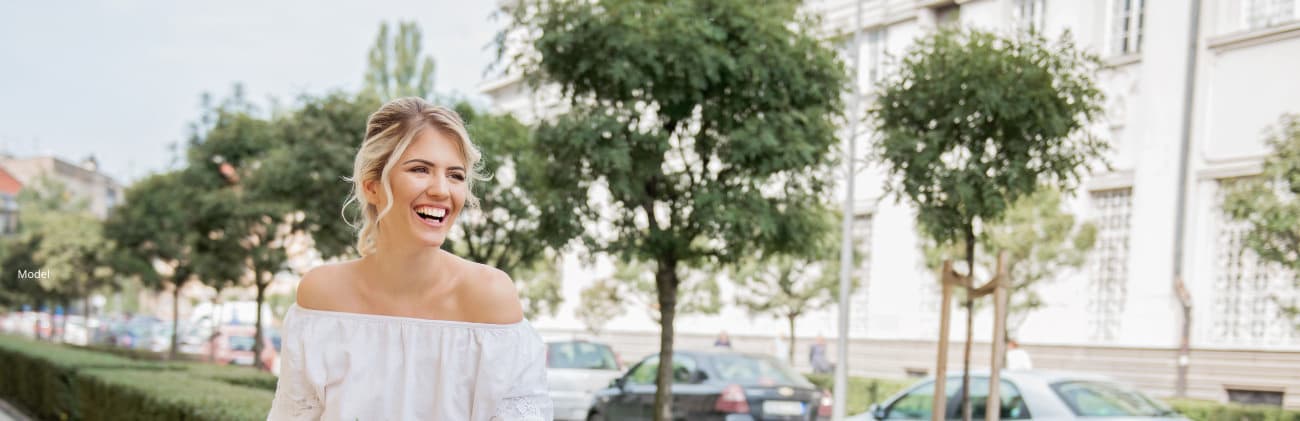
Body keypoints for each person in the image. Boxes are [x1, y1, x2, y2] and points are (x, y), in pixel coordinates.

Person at [267, 98, 552, 420]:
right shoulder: (321, 296)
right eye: (420, 169)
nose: (442, 190)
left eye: (456, 175)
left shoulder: (490, 297)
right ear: (372, 187)